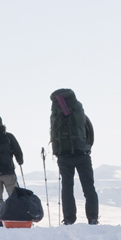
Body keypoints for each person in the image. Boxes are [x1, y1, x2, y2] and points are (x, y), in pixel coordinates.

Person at [50, 88, 99, 225]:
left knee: (67, 186)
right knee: (88, 186)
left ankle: (69, 219)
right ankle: (93, 218)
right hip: (82, 154)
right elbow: (90, 131)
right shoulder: (79, 112)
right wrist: (87, 147)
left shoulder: (55, 114)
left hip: (64, 156)